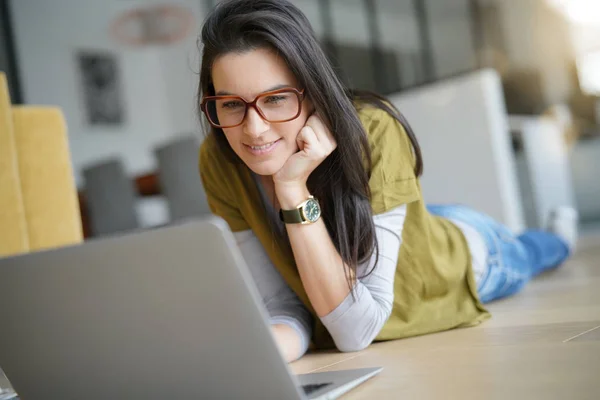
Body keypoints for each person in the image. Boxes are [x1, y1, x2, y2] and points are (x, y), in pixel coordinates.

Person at [197, 0, 578, 363]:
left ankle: (560, 235)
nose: (254, 129)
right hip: (399, 222)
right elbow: (283, 305)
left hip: (458, 257)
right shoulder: (219, 159)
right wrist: (262, 351)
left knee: (531, 252)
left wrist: (292, 189)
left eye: (276, 98)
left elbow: (355, 331)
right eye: (230, 104)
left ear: (313, 91)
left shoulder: (374, 130)